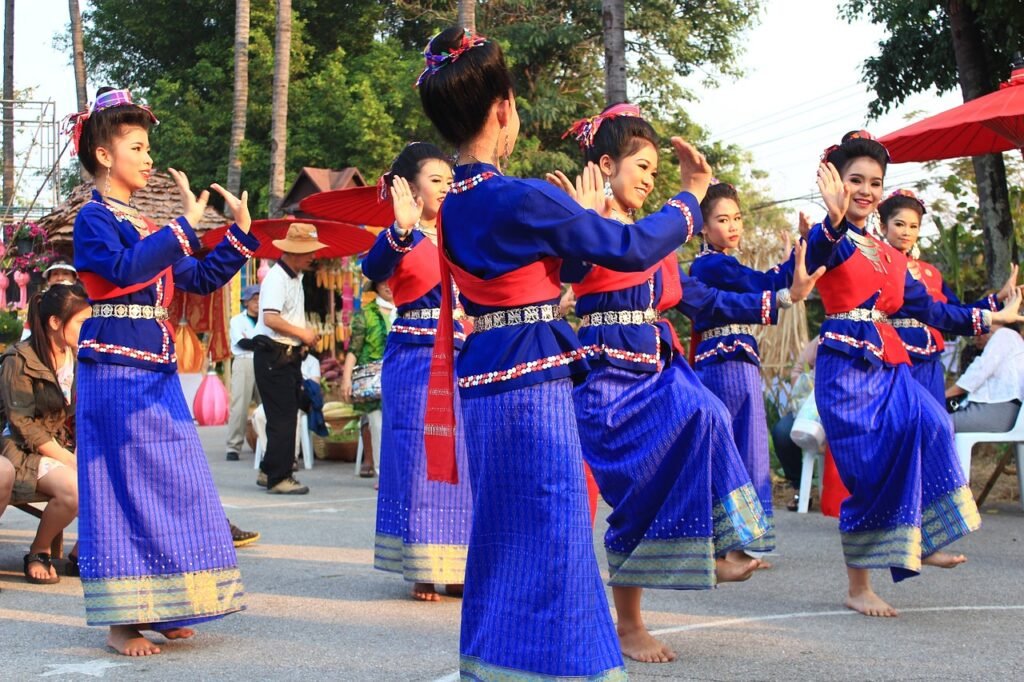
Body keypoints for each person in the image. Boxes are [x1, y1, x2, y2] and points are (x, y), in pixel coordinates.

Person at [417, 27, 711, 679]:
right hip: (533, 387)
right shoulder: (521, 196)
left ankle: (498, 663)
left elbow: (551, 275)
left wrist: (576, 220)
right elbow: (632, 250)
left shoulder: (458, 205)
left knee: (506, 538)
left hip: (489, 382)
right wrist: (689, 200)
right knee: (556, 537)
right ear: (502, 110)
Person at [550, 103, 824, 663]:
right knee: (634, 495)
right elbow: (568, 275)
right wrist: (580, 221)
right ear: (606, 164)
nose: (651, 180)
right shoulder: (586, 219)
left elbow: (718, 292)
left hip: (657, 367)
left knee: (709, 415)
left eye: (656, 171)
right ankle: (627, 625)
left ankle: (722, 546)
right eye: (641, 167)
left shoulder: (650, 234)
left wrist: (815, 247)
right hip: (607, 376)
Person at [803, 130, 1024, 618]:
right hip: (845, 368)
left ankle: (925, 536)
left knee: (933, 423)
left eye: (874, 182)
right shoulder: (831, 237)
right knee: (864, 470)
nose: (865, 189)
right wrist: (833, 219)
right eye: (854, 179)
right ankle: (858, 586)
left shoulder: (890, 256)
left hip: (890, 363)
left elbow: (933, 309)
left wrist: (994, 315)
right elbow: (817, 255)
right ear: (837, 182)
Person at [69, 86, 258, 655]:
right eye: (138, 146)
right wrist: (181, 229)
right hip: (114, 366)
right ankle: (122, 620)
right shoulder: (93, 220)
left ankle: (170, 600)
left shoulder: (149, 223)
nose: (149, 157)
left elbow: (194, 280)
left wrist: (240, 236)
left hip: (154, 366)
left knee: (173, 482)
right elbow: (122, 270)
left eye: (149, 146)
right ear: (105, 155)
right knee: (119, 488)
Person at [361, 142, 473, 602]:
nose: (446, 189)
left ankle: (460, 561)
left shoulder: (462, 237)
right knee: (418, 455)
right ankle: (423, 567)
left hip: (463, 354)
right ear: (409, 189)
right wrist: (400, 229)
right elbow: (372, 268)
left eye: (450, 181)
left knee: (461, 457)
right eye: (436, 181)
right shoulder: (398, 236)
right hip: (413, 356)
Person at [688, 182, 802, 565]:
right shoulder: (712, 264)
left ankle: (734, 542)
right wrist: (791, 266)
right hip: (728, 363)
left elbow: (761, 284)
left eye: (737, 218)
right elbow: (762, 285)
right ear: (703, 227)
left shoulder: (718, 264)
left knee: (738, 447)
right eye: (722, 219)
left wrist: (790, 263)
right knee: (742, 447)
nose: (733, 226)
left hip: (728, 359)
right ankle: (732, 545)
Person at [878, 188, 1015, 405]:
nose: (906, 232)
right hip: (892, 355)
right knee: (901, 421)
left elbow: (954, 311)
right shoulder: (879, 265)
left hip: (931, 357)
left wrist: (998, 297)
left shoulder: (930, 272)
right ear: (883, 226)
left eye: (913, 226)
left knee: (933, 421)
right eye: (899, 224)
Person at [0, 284, 90, 584]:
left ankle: (85, 551)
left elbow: (79, 414)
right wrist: (69, 459)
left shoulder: (76, 357)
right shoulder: (19, 358)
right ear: (55, 323)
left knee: (117, 467)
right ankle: (39, 551)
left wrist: (84, 450)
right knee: (74, 488)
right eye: (81, 322)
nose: (87, 328)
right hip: (21, 448)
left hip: (60, 445)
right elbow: (22, 423)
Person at [252, 223, 324, 495]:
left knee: (284, 414)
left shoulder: (295, 277)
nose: (312, 256)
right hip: (273, 351)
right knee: (283, 418)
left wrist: (303, 337)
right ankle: (279, 477)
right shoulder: (276, 278)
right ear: (293, 252)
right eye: (307, 252)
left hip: (286, 352)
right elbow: (270, 318)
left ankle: (268, 468)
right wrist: (302, 333)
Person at [341, 279, 392, 478]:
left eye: (391, 280)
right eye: (383, 282)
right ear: (376, 286)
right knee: (377, 424)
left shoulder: (407, 310)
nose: (388, 285)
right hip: (373, 381)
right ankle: (383, 475)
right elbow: (354, 349)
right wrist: (346, 378)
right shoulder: (366, 314)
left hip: (399, 377)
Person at [947, 322, 1024, 433]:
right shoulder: (1014, 339)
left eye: (979, 330)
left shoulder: (1004, 334)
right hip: (1004, 411)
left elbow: (979, 372)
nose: (975, 337)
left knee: (935, 424)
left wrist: (943, 396)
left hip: (998, 411)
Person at [770, 339, 819, 511]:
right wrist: (805, 388)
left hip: (843, 406)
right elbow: (798, 369)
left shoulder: (863, 331)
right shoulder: (823, 337)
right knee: (782, 432)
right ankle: (799, 488)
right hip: (811, 407)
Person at [225, 284, 261, 461]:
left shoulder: (266, 319)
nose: (258, 302)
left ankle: (266, 443)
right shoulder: (237, 320)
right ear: (246, 302)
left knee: (267, 405)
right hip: (244, 360)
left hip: (263, 361)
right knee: (239, 405)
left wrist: (258, 343)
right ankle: (233, 446)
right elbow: (242, 343)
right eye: (254, 299)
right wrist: (261, 343)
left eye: (260, 298)